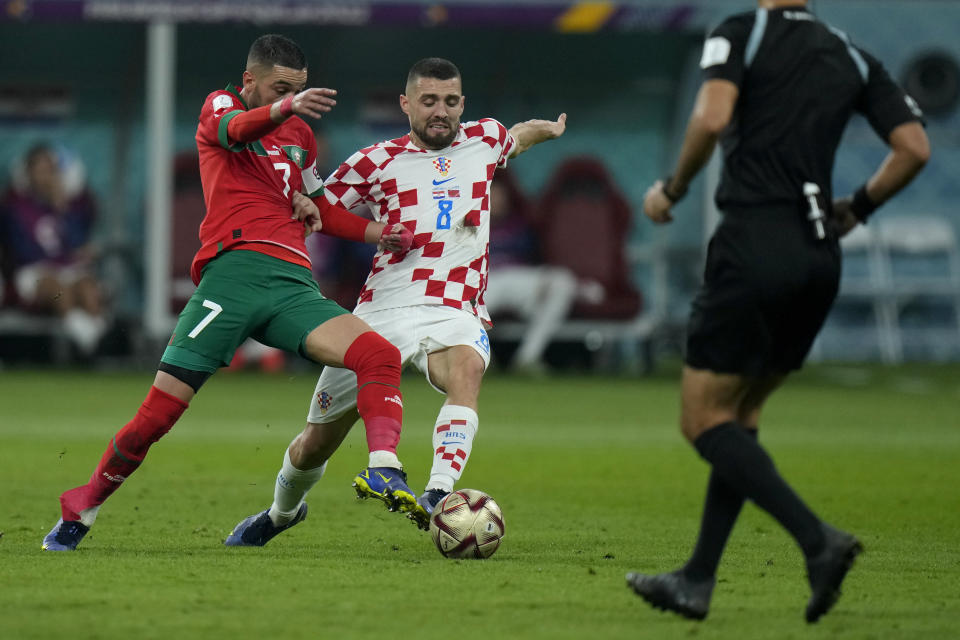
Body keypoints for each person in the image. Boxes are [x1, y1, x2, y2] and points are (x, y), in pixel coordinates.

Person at [42, 33, 418, 551]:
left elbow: (320, 206)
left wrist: (379, 233)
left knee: (379, 355)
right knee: (158, 416)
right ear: (250, 80)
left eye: (297, 90)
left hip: (291, 285)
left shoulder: (299, 135)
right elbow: (232, 129)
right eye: (280, 88)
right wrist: (286, 107)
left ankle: (383, 468)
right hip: (231, 280)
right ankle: (83, 504)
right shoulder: (222, 106)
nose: (289, 99)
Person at [626, 0, 929, 623]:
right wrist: (858, 207)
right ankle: (698, 579)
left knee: (702, 420)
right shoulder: (849, 53)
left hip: (754, 244)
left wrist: (672, 190)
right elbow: (914, 147)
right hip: (819, 255)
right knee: (742, 414)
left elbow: (712, 117)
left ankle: (818, 542)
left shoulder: (741, 31)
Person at [227, 57, 565, 539]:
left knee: (466, 369)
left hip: (455, 307)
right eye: (429, 101)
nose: (440, 112)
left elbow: (517, 138)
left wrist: (544, 130)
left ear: (462, 104)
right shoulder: (375, 161)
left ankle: (437, 494)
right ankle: (281, 513)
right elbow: (319, 207)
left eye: (450, 102)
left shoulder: (485, 139)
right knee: (313, 445)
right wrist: (295, 207)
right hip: (382, 309)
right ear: (406, 105)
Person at [0, 144, 108, 357]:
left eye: (51, 170)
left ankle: (92, 344)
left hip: (69, 268)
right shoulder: (15, 205)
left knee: (88, 288)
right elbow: (19, 247)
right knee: (57, 287)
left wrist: (62, 209)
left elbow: (76, 243)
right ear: (27, 174)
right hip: (33, 272)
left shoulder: (73, 205)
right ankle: (85, 342)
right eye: (41, 171)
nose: (47, 177)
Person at [484, 171, 585, 373]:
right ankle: (482, 360)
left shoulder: (521, 223)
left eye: (500, 195)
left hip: (521, 278)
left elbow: (538, 255)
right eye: (492, 195)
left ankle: (528, 357)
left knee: (562, 282)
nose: (497, 200)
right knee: (459, 301)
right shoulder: (470, 224)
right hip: (486, 280)